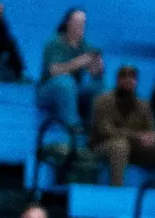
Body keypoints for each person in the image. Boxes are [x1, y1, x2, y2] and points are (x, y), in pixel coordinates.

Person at [91, 64, 155, 188]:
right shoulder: (103, 101)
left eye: (132, 77)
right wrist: (137, 136)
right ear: (117, 80)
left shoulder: (143, 105)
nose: (128, 80)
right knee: (120, 145)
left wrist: (152, 138)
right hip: (103, 146)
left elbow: (153, 130)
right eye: (124, 76)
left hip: (136, 150)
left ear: (136, 81)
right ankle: (117, 192)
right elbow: (105, 130)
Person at [36, 8, 104, 136]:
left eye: (83, 23)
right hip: (47, 91)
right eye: (77, 22)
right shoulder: (55, 42)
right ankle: (72, 124)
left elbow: (95, 74)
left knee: (100, 87)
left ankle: (97, 124)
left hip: (74, 90)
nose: (81, 26)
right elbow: (53, 71)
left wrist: (97, 66)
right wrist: (79, 62)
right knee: (65, 81)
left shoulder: (85, 45)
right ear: (68, 23)